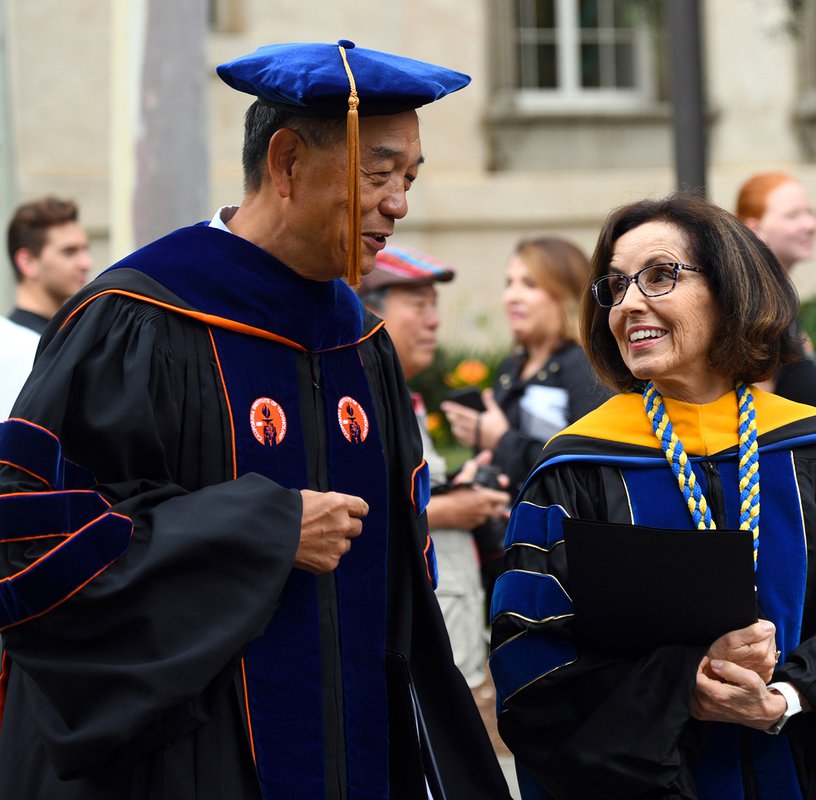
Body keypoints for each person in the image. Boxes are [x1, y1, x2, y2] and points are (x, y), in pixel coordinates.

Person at [0, 40, 510, 799]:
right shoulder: (138, 318)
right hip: (184, 763)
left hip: (356, 752)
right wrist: (260, 530)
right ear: (285, 163)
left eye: (408, 177)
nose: (399, 203)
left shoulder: (361, 342)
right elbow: (28, 538)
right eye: (378, 173)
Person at [489, 193, 816, 799]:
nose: (630, 304)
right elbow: (532, 666)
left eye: (660, 276)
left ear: (730, 289)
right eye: (615, 287)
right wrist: (682, 690)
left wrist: (784, 696)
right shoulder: (576, 469)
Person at [358, 244, 511, 688]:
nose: (435, 320)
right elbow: (354, 511)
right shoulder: (359, 405)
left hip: (442, 639)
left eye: (435, 305)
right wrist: (453, 510)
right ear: (370, 311)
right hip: (405, 652)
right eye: (419, 304)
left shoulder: (403, 399)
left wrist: (457, 491)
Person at [441, 236, 611, 592]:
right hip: (506, 554)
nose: (511, 296)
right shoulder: (511, 366)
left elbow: (589, 471)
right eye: (509, 283)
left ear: (565, 294)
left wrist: (499, 440)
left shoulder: (585, 367)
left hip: (564, 564)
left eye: (529, 284)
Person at [735, 172, 816, 408]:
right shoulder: (756, 306)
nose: (811, 224)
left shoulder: (777, 300)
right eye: (793, 215)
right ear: (754, 229)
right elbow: (754, 413)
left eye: (809, 212)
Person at [7, 196, 92, 335]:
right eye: (69, 252)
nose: (87, 263)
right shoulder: (13, 346)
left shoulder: (69, 339)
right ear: (27, 262)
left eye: (85, 250)